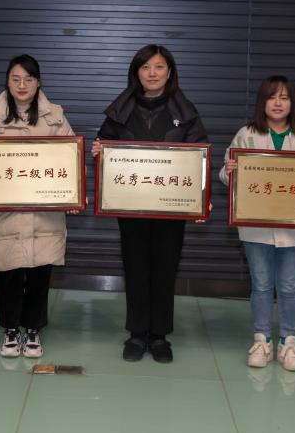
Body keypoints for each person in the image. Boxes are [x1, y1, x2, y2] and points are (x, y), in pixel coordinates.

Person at [91, 44, 208, 363]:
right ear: (136, 72)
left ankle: (159, 336)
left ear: (169, 72)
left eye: (159, 67)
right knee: (135, 268)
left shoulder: (187, 112)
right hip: (131, 206)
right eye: (145, 67)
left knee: (165, 269)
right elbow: (105, 150)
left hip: (171, 208)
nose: (152, 73)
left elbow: (200, 157)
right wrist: (99, 152)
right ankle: (137, 333)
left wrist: (200, 197)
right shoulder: (119, 110)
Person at [0, 54, 79, 358]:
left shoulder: (56, 118)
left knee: (40, 275)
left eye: (28, 79)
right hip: (6, 215)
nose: (22, 85)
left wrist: (73, 195)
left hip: (44, 217)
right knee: (9, 274)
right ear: (7, 82)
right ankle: (10, 329)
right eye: (15, 79)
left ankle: (34, 329)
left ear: (38, 82)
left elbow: (72, 160)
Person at [219, 76, 295, 372]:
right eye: (272, 97)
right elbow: (225, 176)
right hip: (257, 226)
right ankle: (262, 340)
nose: (278, 103)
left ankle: (288, 343)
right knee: (262, 286)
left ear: (293, 103)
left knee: (289, 286)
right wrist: (229, 170)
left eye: (284, 97)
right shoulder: (246, 134)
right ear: (262, 102)